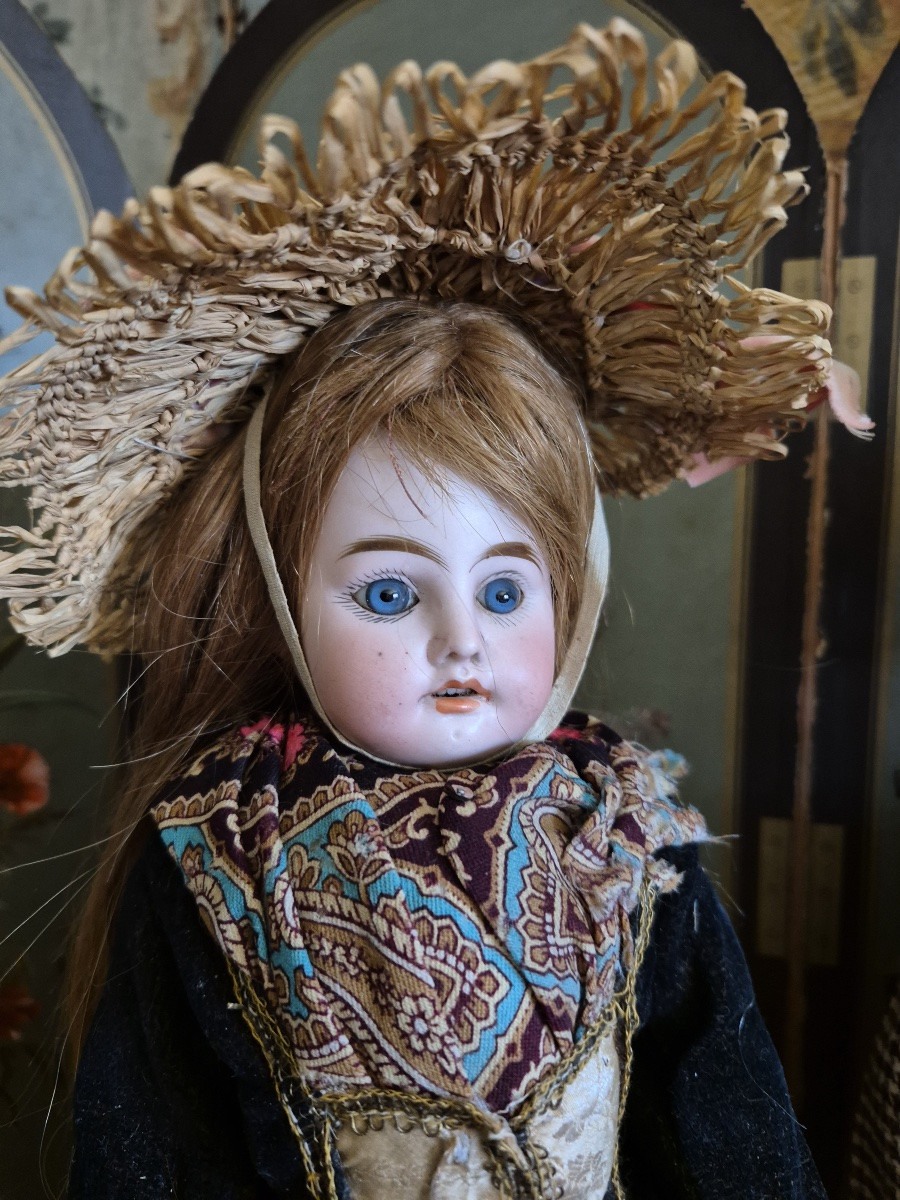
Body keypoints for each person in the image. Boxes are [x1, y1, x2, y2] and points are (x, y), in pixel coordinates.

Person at [0, 19, 842, 1199]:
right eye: (390, 592)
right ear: (284, 599)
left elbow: (732, 1139)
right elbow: (146, 1156)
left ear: (572, 588)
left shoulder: (621, 842)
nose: (462, 640)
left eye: (505, 589)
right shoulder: (216, 852)